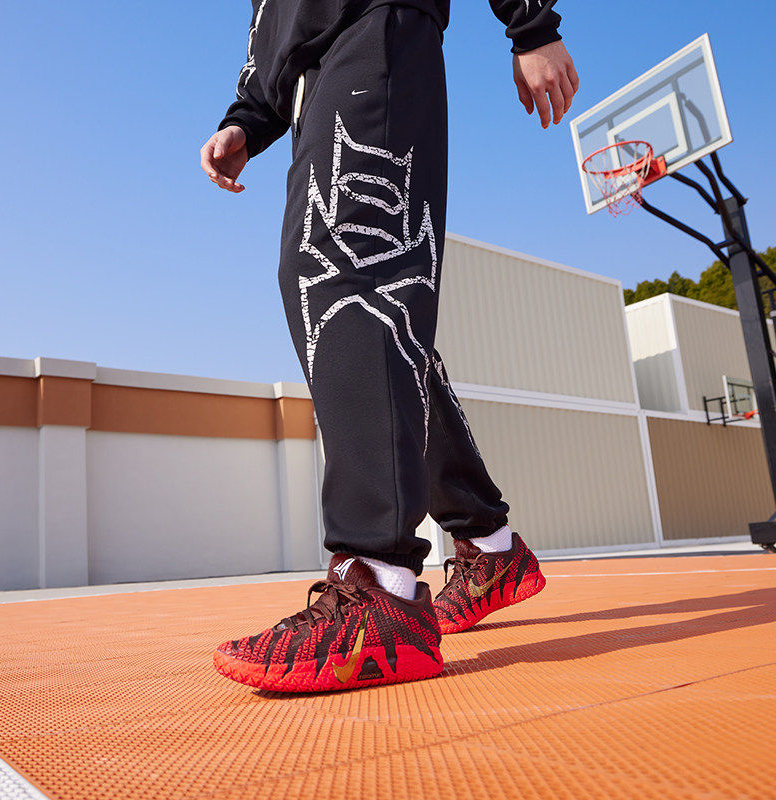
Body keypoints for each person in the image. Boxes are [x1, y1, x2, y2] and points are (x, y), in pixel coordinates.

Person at [201, 0, 578, 693]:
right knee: (354, 302)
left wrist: (531, 23)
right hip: (315, 73)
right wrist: (249, 118)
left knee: (350, 275)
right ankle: (487, 542)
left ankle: (380, 587)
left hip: (375, 24)